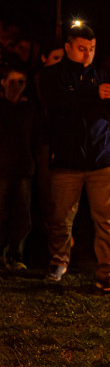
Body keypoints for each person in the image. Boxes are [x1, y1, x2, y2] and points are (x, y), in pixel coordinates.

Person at [38, 21, 110, 292]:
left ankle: (108, 274)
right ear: (68, 47)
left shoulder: (104, 76)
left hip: (101, 158)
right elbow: (59, 104)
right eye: (82, 48)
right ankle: (58, 261)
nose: (87, 54)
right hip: (67, 160)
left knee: (107, 220)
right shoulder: (52, 76)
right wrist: (93, 95)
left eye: (92, 49)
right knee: (60, 218)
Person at [0, 65, 39, 270]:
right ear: (3, 82)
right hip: (3, 168)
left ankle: (16, 254)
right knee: (1, 212)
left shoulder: (28, 109)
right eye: (12, 81)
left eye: (21, 82)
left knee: (22, 215)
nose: (16, 86)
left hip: (23, 167)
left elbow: (35, 136)